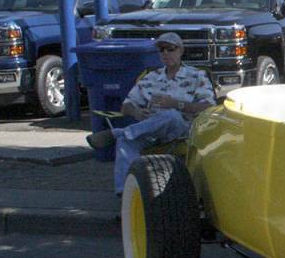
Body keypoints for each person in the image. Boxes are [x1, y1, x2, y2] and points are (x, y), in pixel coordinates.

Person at [86, 32, 215, 195]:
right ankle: (126, 191)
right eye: (162, 50)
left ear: (181, 51)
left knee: (170, 115)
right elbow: (126, 106)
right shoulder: (151, 77)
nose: (166, 53)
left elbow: (208, 106)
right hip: (150, 130)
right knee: (126, 141)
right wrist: (137, 112)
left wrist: (176, 104)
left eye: (170, 49)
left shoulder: (196, 75)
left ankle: (120, 132)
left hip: (181, 130)